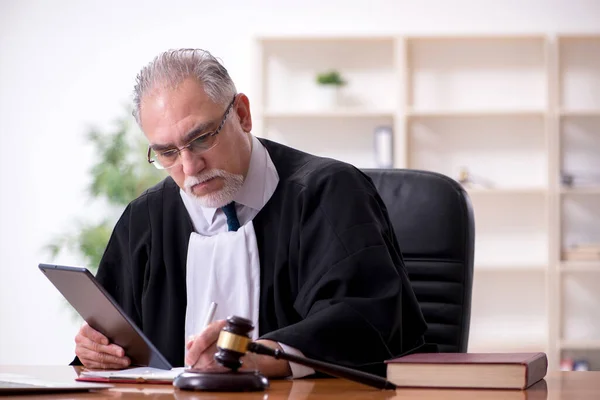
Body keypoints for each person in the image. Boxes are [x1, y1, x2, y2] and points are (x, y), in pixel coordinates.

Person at [72, 48, 429, 378]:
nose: (190, 166)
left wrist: (262, 356)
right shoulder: (144, 219)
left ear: (242, 114)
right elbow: (118, 337)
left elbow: (366, 319)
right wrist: (95, 350)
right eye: (167, 153)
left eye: (201, 138)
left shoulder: (329, 192)